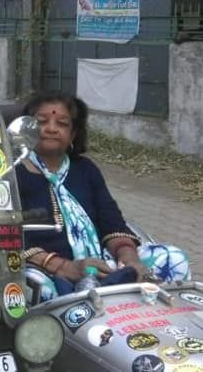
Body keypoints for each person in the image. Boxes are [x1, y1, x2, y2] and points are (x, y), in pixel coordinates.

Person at [16, 91, 190, 300]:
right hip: (46, 268)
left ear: (72, 135)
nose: (51, 129)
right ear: (26, 129)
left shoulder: (85, 169)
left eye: (62, 124)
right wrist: (63, 266)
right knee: (31, 287)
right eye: (42, 122)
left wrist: (130, 260)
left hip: (99, 264)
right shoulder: (12, 172)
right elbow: (7, 238)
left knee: (173, 258)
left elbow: (112, 222)